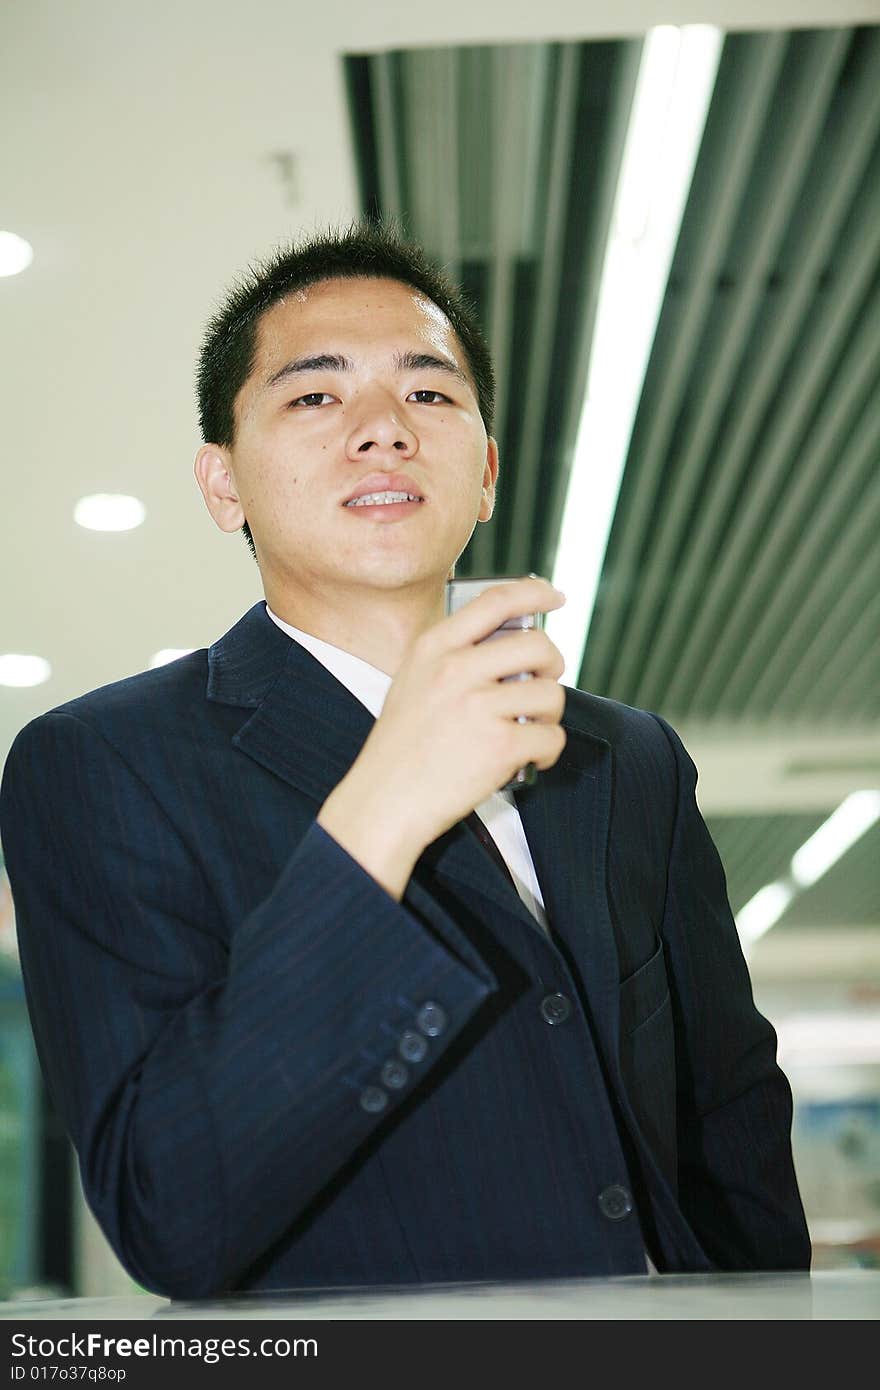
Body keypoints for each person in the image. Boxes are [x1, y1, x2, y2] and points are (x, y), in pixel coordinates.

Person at [0, 223, 811, 1300]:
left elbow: (730, 1117)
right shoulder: (102, 763)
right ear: (222, 482)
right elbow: (171, 1212)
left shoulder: (626, 757)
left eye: (429, 394)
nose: (382, 429)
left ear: (482, 473)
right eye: (314, 397)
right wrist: (377, 814)